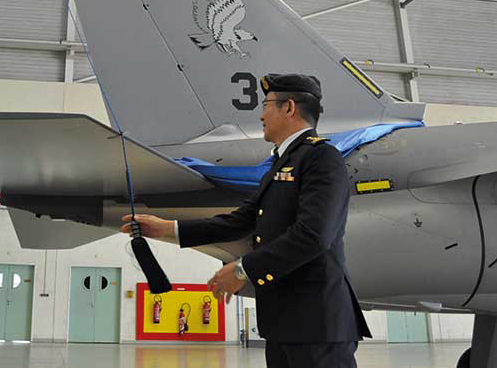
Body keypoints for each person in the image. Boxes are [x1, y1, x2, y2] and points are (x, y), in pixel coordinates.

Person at [123, 73, 371, 368]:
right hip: (283, 321)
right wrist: (166, 228)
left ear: (288, 107)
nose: (261, 115)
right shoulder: (281, 163)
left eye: (266, 105)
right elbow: (241, 221)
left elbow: (313, 235)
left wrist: (242, 270)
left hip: (317, 322)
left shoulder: (322, 158)